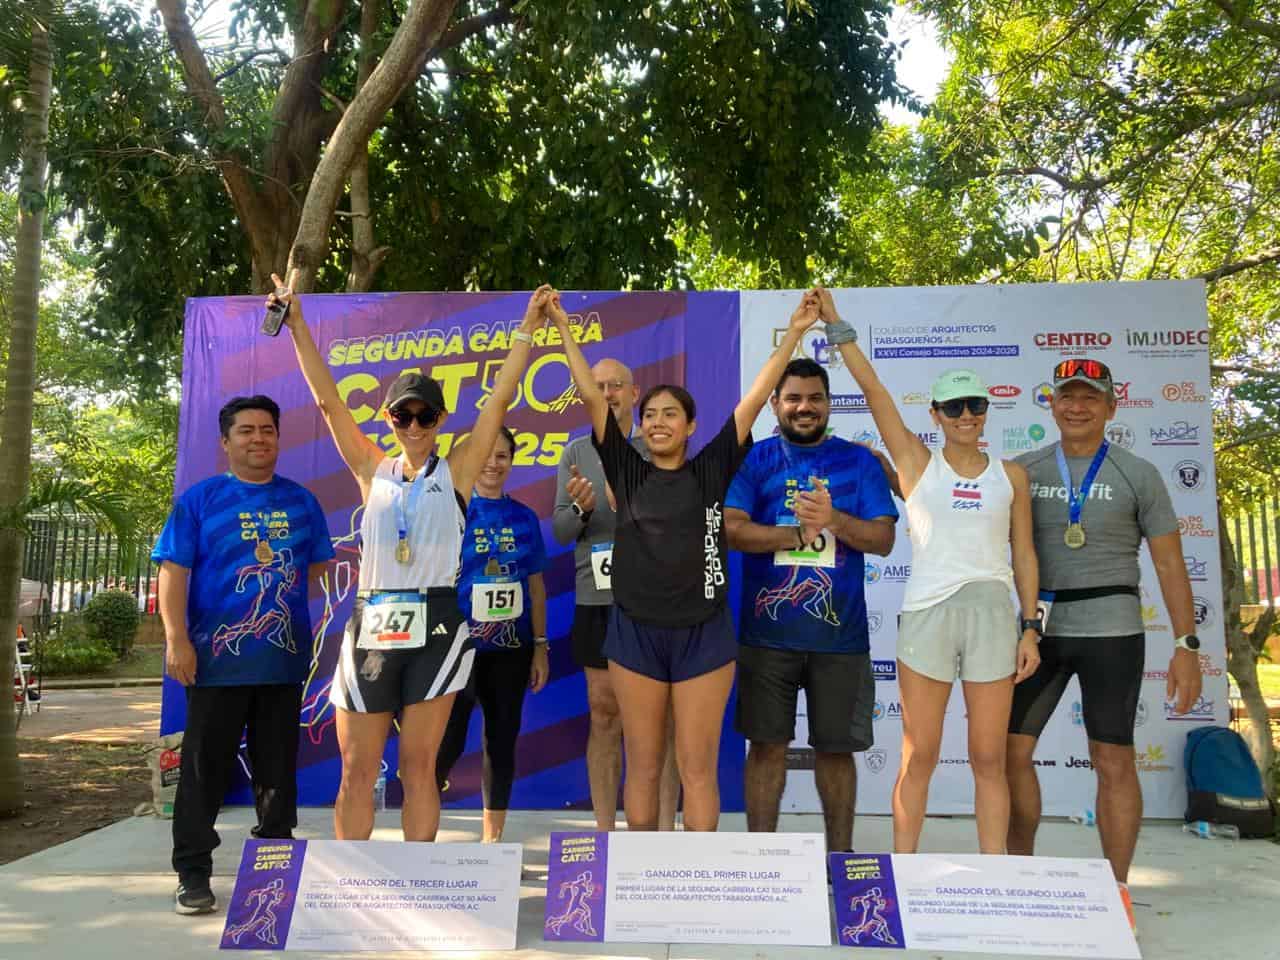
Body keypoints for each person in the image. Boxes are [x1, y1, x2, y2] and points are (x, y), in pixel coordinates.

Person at [269, 274, 550, 842]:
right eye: (403, 416)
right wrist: (297, 325)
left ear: (441, 422)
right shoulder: (371, 469)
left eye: (425, 416)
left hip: (438, 623)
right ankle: (353, 891)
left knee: (418, 768)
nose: (415, 426)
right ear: (389, 421)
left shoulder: (460, 470)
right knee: (357, 769)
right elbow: (327, 403)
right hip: (373, 621)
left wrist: (527, 329)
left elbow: (499, 399)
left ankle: (417, 886)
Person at [552, 287, 824, 831]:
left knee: (696, 770)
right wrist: (561, 324)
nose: (657, 421)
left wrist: (794, 332)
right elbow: (590, 394)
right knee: (645, 768)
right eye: (649, 413)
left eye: (670, 414)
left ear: (691, 426)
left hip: (704, 635)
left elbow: (756, 394)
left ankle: (696, 887)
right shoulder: (625, 470)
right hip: (634, 634)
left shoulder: (712, 468)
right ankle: (639, 880)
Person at [819, 287, 1041, 854]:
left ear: (986, 411)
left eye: (976, 405)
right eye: (955, 407)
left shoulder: (1011, 476)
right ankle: (904, 871)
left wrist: (1031, 626)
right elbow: (874, 393)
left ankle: (995, 876)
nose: (967, 415)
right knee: (920, 751)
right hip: (927, 614)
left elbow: (1024, 555)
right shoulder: (917, 462)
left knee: (989, 758)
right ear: (937, 415)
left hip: (993, 613)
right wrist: (837, 323)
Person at [1006, 358, 1201, 924]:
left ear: (1112, 407)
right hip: (1036, 633)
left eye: (1090, 397)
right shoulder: (1022, 470)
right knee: (1013, 754)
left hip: (1113, 630)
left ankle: (1116, 890)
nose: (1077, 406)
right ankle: (1018, 875)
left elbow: (1169, 565)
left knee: (1112, 758)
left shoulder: (1139, 473)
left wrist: (1186, 645)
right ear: (1050, 404)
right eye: (1067, 395)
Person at [154, 395, 334, 915]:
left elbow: (317, 567)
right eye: (247, 430)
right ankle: (193, 873)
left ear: (279, 437)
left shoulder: (300, 501)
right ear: (226, 441)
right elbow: (173, 571)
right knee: (204, 770)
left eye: (268, 430)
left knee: (278, 771)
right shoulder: (201, 500)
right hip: (214, 664)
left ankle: (272, 869)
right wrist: (177, 638)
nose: (259, 438)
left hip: (281, 663)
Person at [724, 356, 898, 855]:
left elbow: (883, 538)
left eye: (815, 398)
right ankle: (762, 861)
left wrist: (834, 521)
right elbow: (731, 529)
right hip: (766, 636)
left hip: (840, 639)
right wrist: (796, 532)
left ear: (828, 404)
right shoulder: (754, 460)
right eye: (794, 398)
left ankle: (840, 861)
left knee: (837, 752)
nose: (805, 407)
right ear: (776, 404)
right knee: (765, 748)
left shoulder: (858, 461)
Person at [552, 356, 681, 831]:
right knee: (605, 716)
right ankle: (606, 833)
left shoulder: (660, 448)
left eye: (615, 385)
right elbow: (562, 531)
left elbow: (682, 522)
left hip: (655, 602)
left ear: (633, 393)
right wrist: (584, 510)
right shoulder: (575, 452)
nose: (606, 393)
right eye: (598, 385)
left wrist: (630, 502)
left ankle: (664, 834)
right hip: (598, 602)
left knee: (661, 724)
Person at [434, 426, 550, 842]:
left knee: (501, 741)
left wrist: (539, 647)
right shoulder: (450, 510)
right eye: (486, 454)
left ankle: (492, 840)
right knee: (444, 742)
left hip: (510, 650)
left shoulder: (524, 517)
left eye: (503, 456)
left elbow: (535, 586)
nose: (493, 463)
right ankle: (421, 832)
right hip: (457, 648)